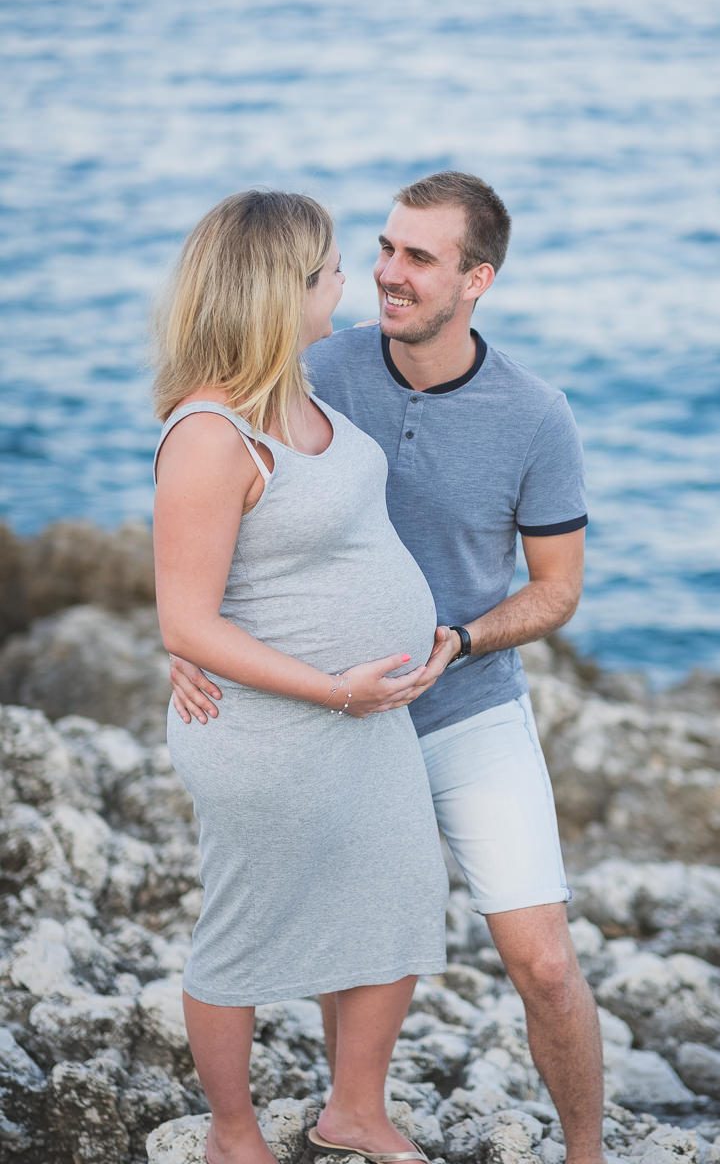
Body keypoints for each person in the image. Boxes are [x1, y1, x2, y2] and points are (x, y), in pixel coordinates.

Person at [171, 173, 606, 1164]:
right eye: (380, 249)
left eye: (418, 259)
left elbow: (555, 590)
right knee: (351, 930)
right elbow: (206, 483)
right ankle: (348, 1113)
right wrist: (179, 636)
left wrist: (461, 639)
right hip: (329, 715)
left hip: (465, 706)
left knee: (540, 959)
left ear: (476, 278)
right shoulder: (317, 362)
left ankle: (585, 1152)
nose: (385, 275)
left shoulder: (536, 415)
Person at [152, 189, 450, 1164]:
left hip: (366, 716)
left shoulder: (300, 386)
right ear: (281, 290)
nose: (347, 278)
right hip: (273, 728)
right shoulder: (208, 433)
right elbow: (184, 613)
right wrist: (335, 689)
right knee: (246, 927)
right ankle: (233, 1135)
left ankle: (353, 1109)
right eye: (328, 268)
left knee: (398, 893)